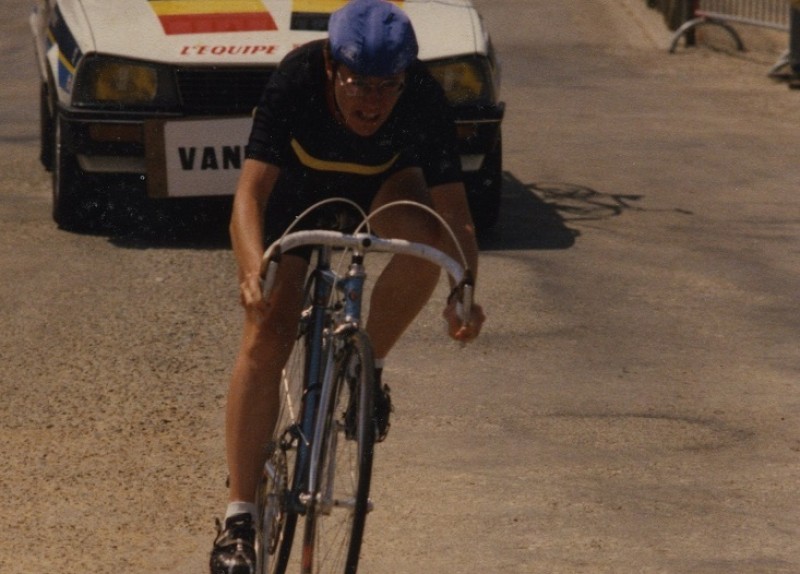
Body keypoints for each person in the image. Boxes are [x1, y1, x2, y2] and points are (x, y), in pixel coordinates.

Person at [210, 0, 485, 572]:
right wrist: (251, 269)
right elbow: (250, 194)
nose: (373, 101)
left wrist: (464, 292)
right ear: (334, 68)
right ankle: (239, 517)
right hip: (298, 195)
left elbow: (455, 214)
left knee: (425, 243)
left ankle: (366, 368)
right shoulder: (296, 78)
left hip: (386, 188)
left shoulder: (425, 98)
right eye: (359, 83)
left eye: (388, 86)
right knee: (267, 334)